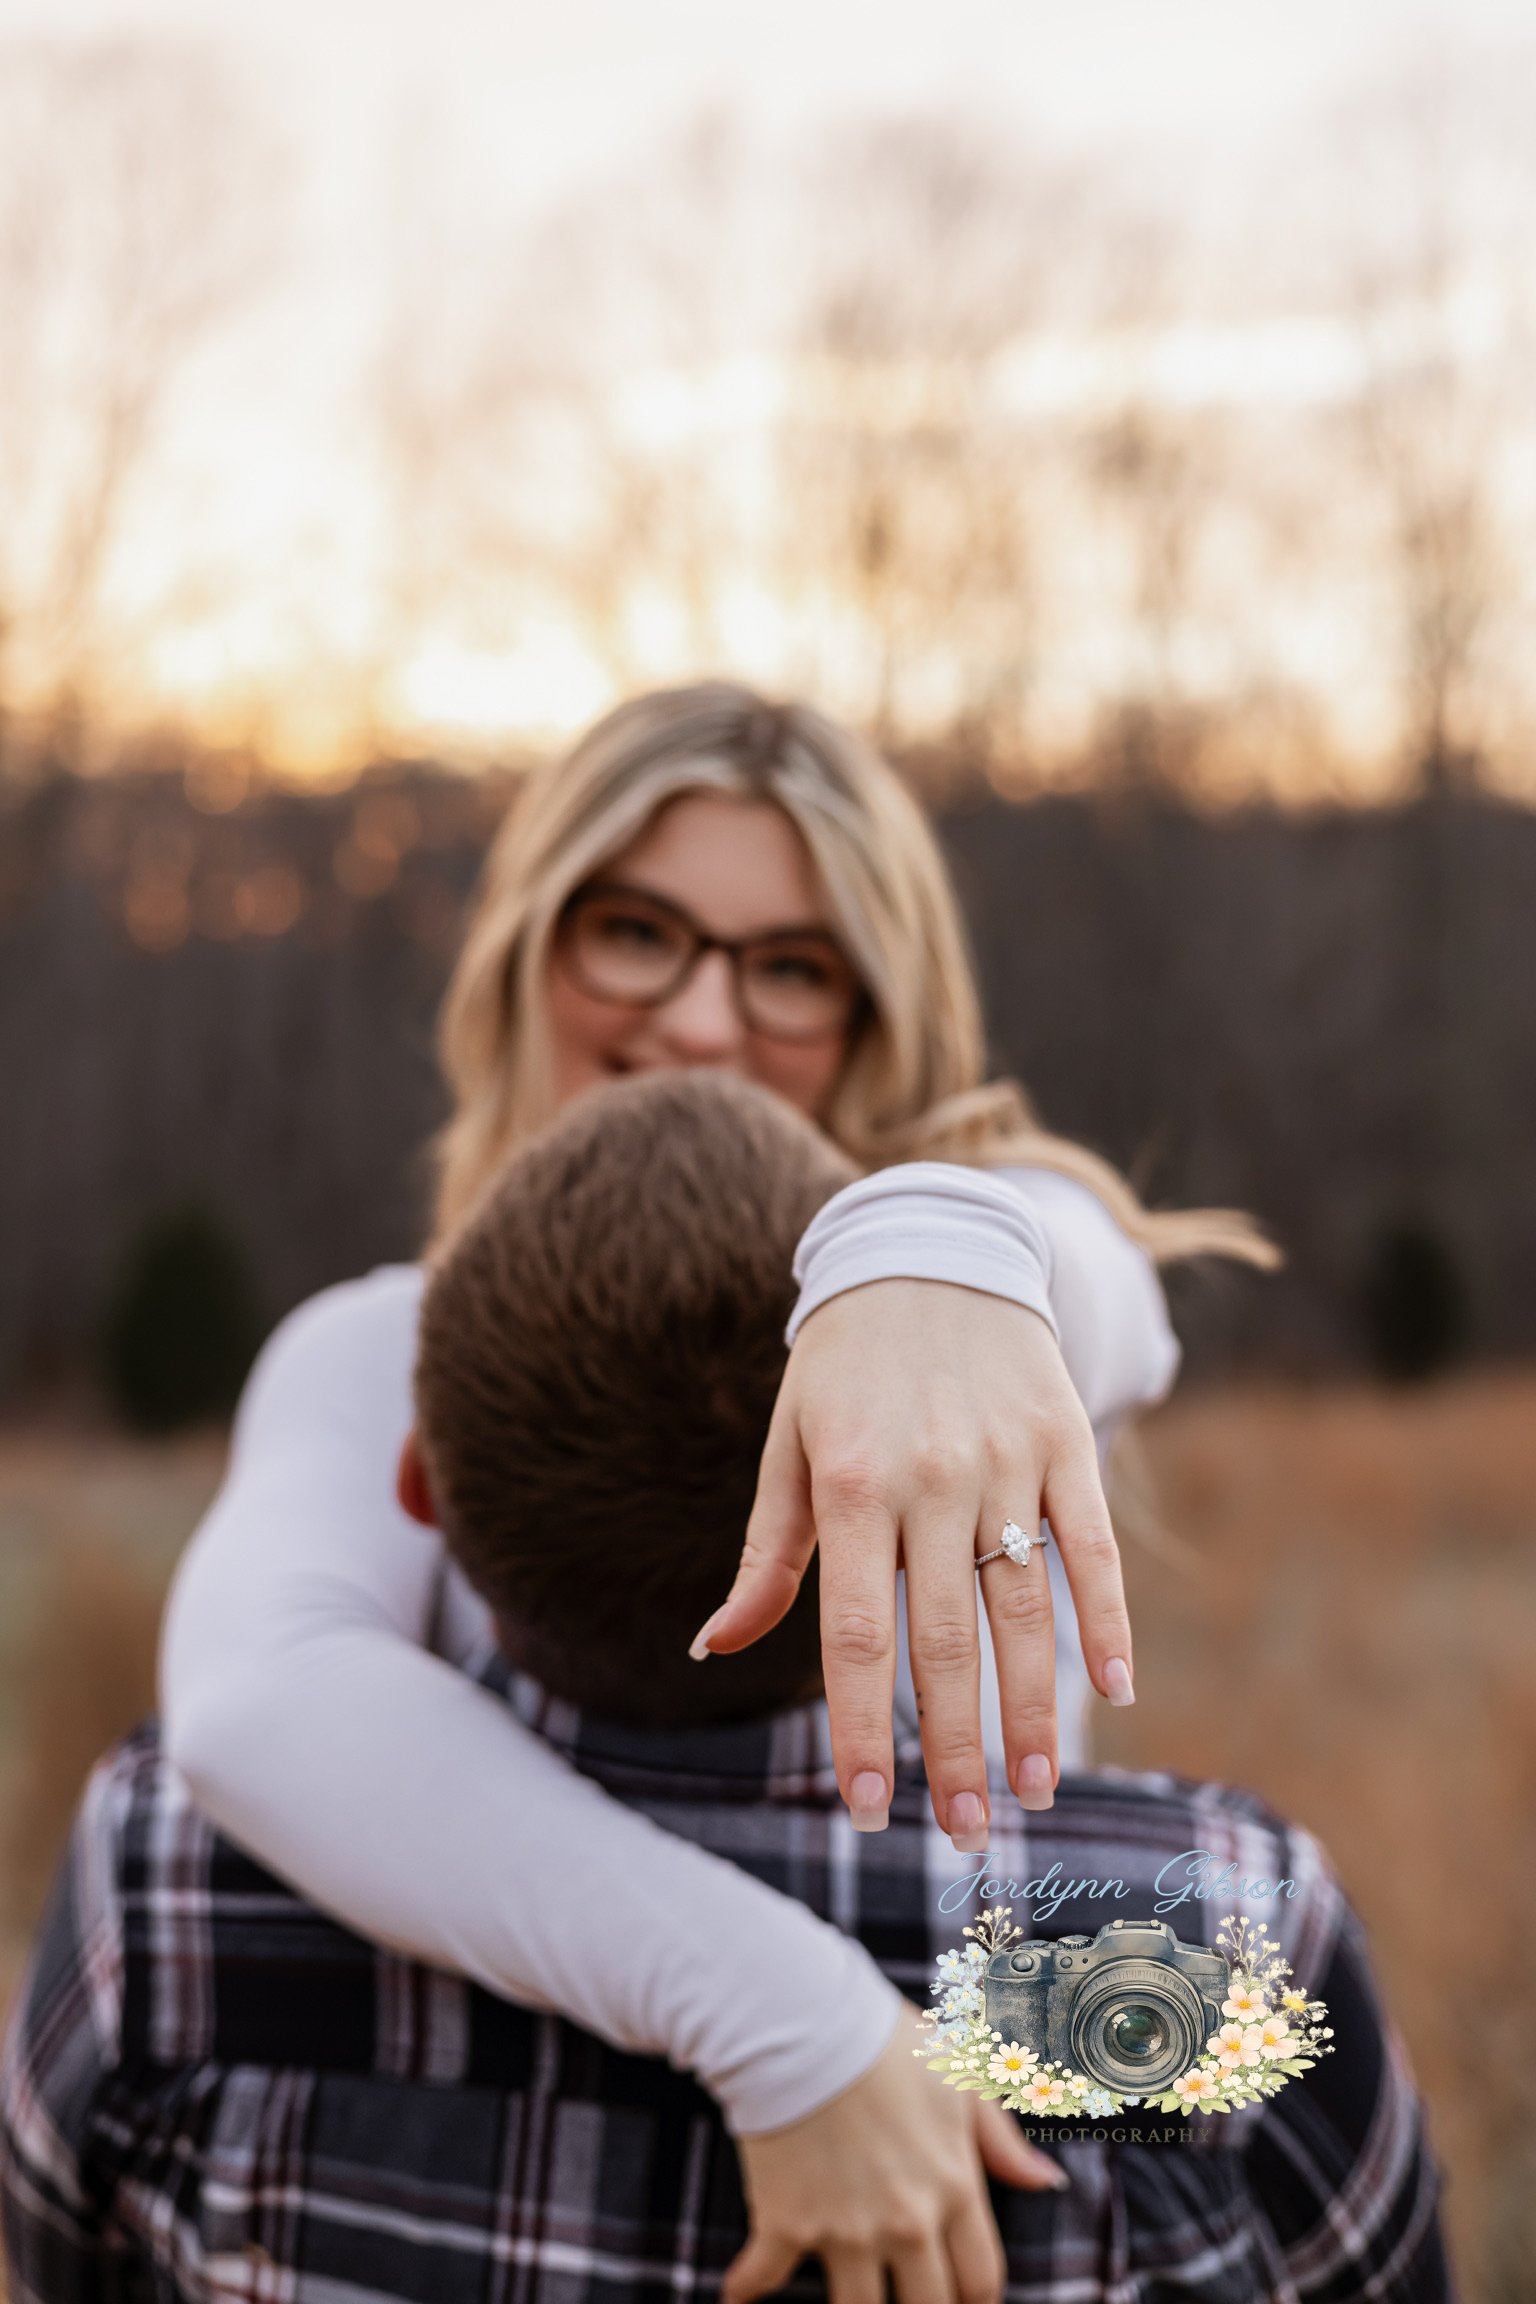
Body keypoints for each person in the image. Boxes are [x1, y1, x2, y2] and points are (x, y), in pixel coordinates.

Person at [156, 681, 1279, 2287]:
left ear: (875, 1019)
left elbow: (1108, 1289)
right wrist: (789, 2022)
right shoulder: (375, 1350)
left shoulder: (976, 1315)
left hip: (973, 2200)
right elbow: (259, 1703)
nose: (697, 1019)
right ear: (527, 952)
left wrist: (937, 1248)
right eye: (635, 931)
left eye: (790, 968)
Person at [1, 1074, 1451, 2304]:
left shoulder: (176, 1893)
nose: (702, 1020)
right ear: (888, 1509)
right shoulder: (1217, 1944)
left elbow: (62, 2248)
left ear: (419, 1487)